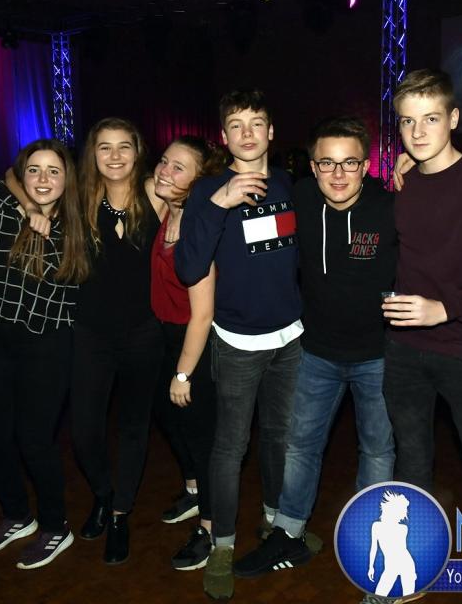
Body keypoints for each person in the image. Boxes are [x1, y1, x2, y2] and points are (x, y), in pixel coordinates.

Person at [233, 116, 396, 577]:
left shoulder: (391, 206)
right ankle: (288, 535)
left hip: (380, 355)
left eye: (349, 163)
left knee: (377, 451)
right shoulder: (300, 198)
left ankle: (371, 542)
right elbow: (240, 213)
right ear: (312, 166)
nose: (338, 174)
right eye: (327, 163)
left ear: (366, 165)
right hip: (317, 353)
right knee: (300, 446)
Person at [383, 69, 462, 604]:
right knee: (411, 466)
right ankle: (413, 568)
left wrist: (444, 310)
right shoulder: (403, 183)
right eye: (407, 122)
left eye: (430, 118)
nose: (418, 132)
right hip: (404, 351)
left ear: (453, 118)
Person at [175, 89, 302, 600]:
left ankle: (274, 523)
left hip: (292, 341)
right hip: (237, 344)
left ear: (271, 132)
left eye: (256, 123)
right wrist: (218, 203)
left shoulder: (289, 183)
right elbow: (189, 268)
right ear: (224, 137)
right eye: (236, 125)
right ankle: (222, 545)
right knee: (230, 449)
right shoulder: (207, 191)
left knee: (280, 438)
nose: (247, 133)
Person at [0, 138, 88, 570]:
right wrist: (27, 207)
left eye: (54, 171)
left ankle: (56, 526)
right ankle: (18, 514)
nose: (43, 179)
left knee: (34, 439)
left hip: (47, 343)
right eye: (34, 170)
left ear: (67, 179)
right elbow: (0, 176)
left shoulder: (80, 227)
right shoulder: (2, 205)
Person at [70, 117, 166, 565]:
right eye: (104, 147)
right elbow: (16, 174)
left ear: (137, 151)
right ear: (92, 153)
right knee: (84, 429)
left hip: (143, 333)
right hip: (90, 333)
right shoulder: (80, 198)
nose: (114, 155)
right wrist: (30, 206)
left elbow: (204, 179)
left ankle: (120, 513)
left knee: (133, 426)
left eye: (123, 146)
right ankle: (104, 493)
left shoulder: (156, 194)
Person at [150, 135, 226, 570]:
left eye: (178, 167)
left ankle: (211, 530)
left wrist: (183, 374)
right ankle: (194, 492)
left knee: (203, 441)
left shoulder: (198, 228)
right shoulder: (166, 207)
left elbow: (202, 315)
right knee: (170, 421)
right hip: (165, 336)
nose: (164, 171)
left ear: (198, 181)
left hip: (194, 343)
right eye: (164, 161)